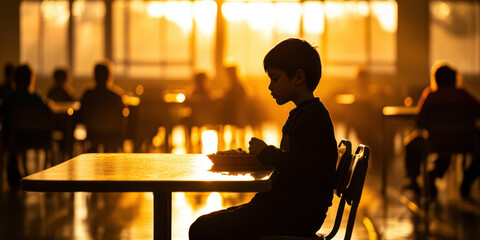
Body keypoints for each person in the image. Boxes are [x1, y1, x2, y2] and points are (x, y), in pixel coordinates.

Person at [189, 38, 338, 239]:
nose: (270, 87)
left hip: (295, 215)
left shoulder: (313, 117)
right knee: (205, 223)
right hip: (287, 208)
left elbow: (304, 165)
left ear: (298, 77)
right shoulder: (304, 114)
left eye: (275, 79)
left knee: (202, 229)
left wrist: (266, 152)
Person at [403, 62, 480, 198]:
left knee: (412, 144)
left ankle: (415, 180)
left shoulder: (431, 96)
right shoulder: (463, 95)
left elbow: (419, 122)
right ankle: (467, 179)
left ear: (436, 79)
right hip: (465, 141)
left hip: (436, 141)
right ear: (454, 79)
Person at [0, 64, 52, 189]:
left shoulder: (9, 100)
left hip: (15, 139)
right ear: (31, 79)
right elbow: (49, 117)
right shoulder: (38, 99)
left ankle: (11, 177)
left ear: (14, 80)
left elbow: (4, 119)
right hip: (38, 139)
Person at [77, 60, 125, 153]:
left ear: (94, 76)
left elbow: (81, 113)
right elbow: (122, 116)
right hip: (112, 133)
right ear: (109, 76)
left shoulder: (88, 94)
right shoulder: (116, 96)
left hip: (92, 132)